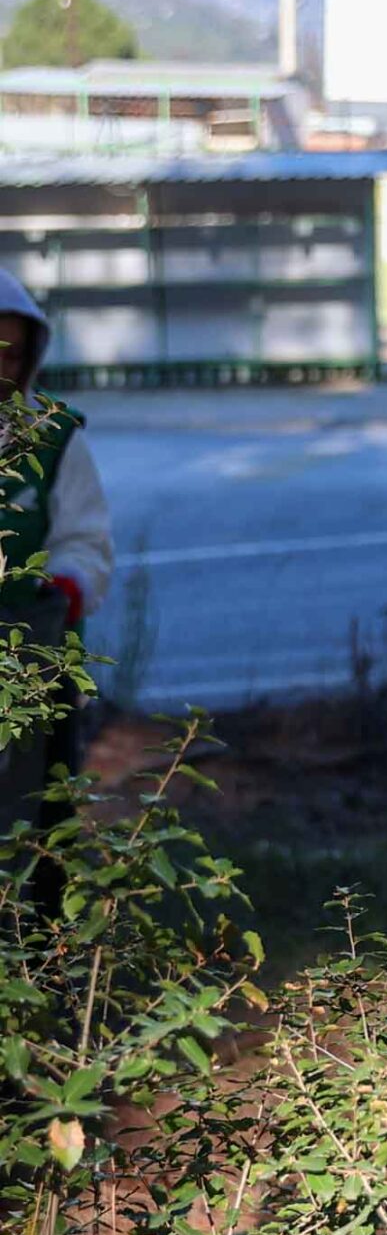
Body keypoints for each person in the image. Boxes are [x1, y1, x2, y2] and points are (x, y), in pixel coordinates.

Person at [0, 267, 115, 854]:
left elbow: (86, 538)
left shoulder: (54, 438)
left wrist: (64, 588)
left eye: (14, 354)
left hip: (35, 662)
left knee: (40, 812)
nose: (4, 367)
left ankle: (40, 937)